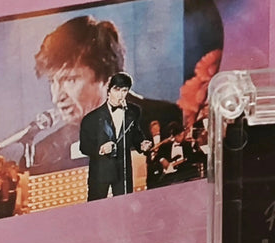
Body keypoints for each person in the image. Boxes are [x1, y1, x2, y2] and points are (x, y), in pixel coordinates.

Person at [29, 15, 181, 174]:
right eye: (52, 81)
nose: (56, 97)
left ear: (108, 79)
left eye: (70, 79)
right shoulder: (44, 153)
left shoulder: (168, 120)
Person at [78, 72, 152, 201]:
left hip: (123, 170)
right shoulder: (91, 119)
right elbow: (84, 147)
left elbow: (135, 134)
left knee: (124, 205)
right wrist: (101, 149)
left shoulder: (133, 111)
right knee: (97, 207)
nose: (120, 95)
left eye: (124, 91)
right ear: (109, 90)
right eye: (117, 90)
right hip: (101, 171)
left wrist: (141, 144)